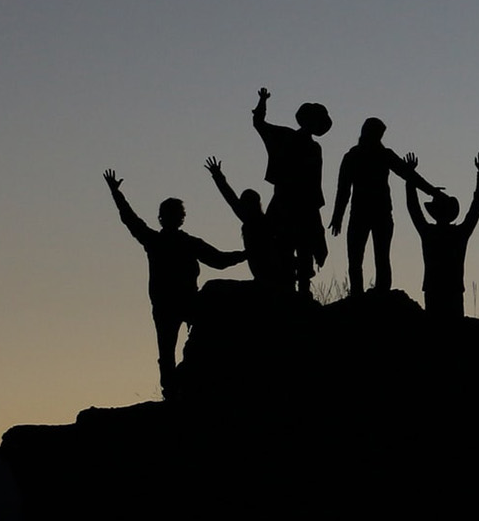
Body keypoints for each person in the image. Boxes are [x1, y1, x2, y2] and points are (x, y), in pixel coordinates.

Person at [104, 169, 246, 391]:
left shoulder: (165, 241)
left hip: (178, 303)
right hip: (170, 304)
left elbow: (219, 260)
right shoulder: (166, 241)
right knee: (168, 350)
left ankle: (179, 386)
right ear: (175, 218)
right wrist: (246, 254)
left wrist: (245, 254)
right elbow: (219, 260)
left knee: (170, 350)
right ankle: (174, 390)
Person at [329, 117, 441, 296]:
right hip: (363, 213)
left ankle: (378, 291)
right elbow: (343, 189)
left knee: (377, 256)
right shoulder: (356, 156)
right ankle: (359, 293)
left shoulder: (375, 155)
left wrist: (432, 191)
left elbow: (408, 174)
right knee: (360, 257)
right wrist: (337, 216)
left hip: (374, 213)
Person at [250, 86, 329, 295]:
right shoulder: (285, 136)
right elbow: (259, 123)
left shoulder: (313, 148)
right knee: (283, 248)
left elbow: (314, 182)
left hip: (303, 206)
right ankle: (288, 292)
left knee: (302, 252)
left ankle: (300, 294)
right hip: (287, 203)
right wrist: (263, 101)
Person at [403, 151, 479, 318]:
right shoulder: (459, 234)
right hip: (452, 289)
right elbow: (477, 207)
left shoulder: (429, 233)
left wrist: (410, 176)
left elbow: (413, 207)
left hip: (434, 289)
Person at [204, 155, 287, 291]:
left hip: (270, 272)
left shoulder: (261, 222)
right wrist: (218, 176)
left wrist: (218, 176)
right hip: (264, 273)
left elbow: (231, 198)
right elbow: (231, 197)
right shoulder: (258, 221)